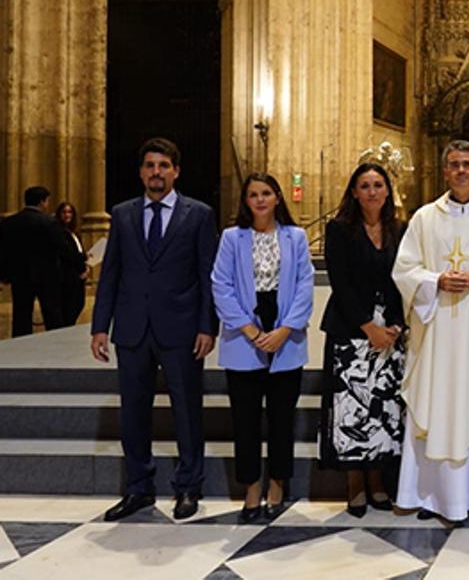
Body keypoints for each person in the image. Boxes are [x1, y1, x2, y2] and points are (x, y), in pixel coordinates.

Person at [89, 138, 218, 521]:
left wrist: (207, 326)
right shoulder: (123, 214)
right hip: (131, 330)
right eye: (149, 166)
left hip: (180, 329)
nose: (156, 172)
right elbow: (110, 275)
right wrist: (99, 327)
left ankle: (188, 486)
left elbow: (206, 276)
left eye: (163, 166)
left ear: (176, 171)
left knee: (187, 412)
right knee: (133, 413)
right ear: (141, 171)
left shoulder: (198, 215)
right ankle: (139, 488)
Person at [391, 141, 469, 523]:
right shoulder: (425, 219)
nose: (461, 171)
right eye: (454, 165)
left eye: (467, 164)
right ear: (445, 172)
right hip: (438, 335)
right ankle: (432, 497)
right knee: (437, 404)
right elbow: (405, 270)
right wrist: (435, 281)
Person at [211, 173, 315, 522]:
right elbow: (220, 285)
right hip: (245, 333)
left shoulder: (295, 237)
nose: (259, 200)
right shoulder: (232, 238)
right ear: (245, 201)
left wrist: (285, 329)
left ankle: (277, 482)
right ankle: (251, 485)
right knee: (246, 419)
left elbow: (304, 284)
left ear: (277, 197)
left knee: (282, 418)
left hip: (286, 331)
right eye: (253, 194)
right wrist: (252, 330)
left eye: (266, 193)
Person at [319, 162, 407, 517]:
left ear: (387, 191)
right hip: (350, 332)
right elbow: (340, 281)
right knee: (352, 410)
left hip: (389, 333)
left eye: (378, 185)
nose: (372, 191)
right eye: (365, 185)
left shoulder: (399, 229)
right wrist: (366, 326)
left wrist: (397, 325)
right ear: (354, 192)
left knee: (382, 409)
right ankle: (354, 482)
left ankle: (378, 481)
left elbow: (404, 277)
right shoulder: (339, 229)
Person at [0, 186, 77, 336]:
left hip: (20, 275)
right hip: (47, 276)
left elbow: (3, 250)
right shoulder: (49, 222)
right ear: (42, 202)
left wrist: (3, 274)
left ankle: (21, 348)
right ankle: (57, 344)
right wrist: (80, 266)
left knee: (21, 315)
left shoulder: (9, 222)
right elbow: (63, 248)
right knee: (52, 315)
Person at [54, 201, 89, 326]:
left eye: (70, 212)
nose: (67, 215)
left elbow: (79, 252)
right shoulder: (59, 232)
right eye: (64, 212)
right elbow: (68, 254)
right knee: (68, 309)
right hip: (67, 276)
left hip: (78, 277)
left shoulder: (74, 233)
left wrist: (86, 263)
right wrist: (81, 268)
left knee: (78, 305)